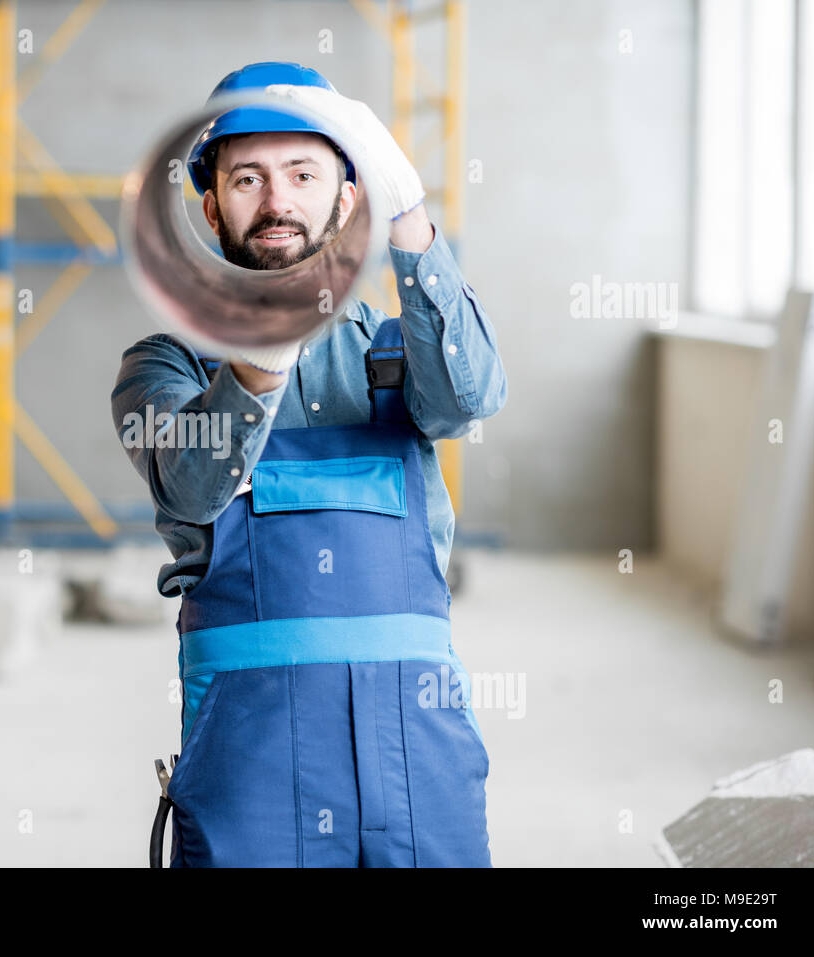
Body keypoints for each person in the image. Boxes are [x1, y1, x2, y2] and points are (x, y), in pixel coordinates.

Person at [111, 61, 508, 867]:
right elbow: (191, 483)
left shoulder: (401, 351)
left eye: (303, 172)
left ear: (350, 196)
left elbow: (469, 399)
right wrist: (263, 356)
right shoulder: (165, 367)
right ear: (211, 204)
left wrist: (414, 226)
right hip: (251, 755)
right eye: (247, 177)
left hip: (418, 748)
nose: (277, 200)